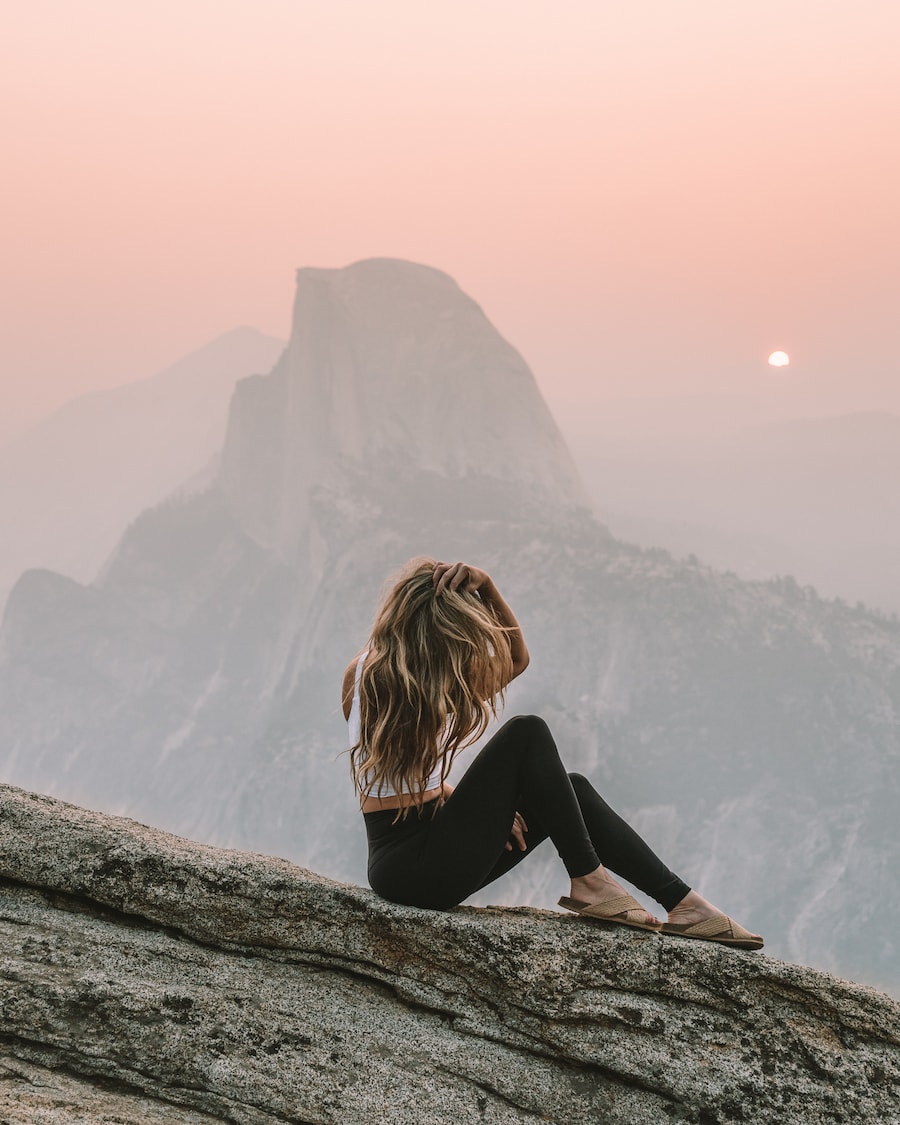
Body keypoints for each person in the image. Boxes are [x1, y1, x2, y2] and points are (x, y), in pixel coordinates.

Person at [343, 557, 763, 949]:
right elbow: (516, 658)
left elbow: (403, 779)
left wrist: (475, 814)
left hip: (412, 861)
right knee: (528, 732)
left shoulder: (373, 675)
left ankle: (684, 903)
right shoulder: (406, 683)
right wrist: (487, 588)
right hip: (418, 868)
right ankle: (589, 879)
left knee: (570, 789)